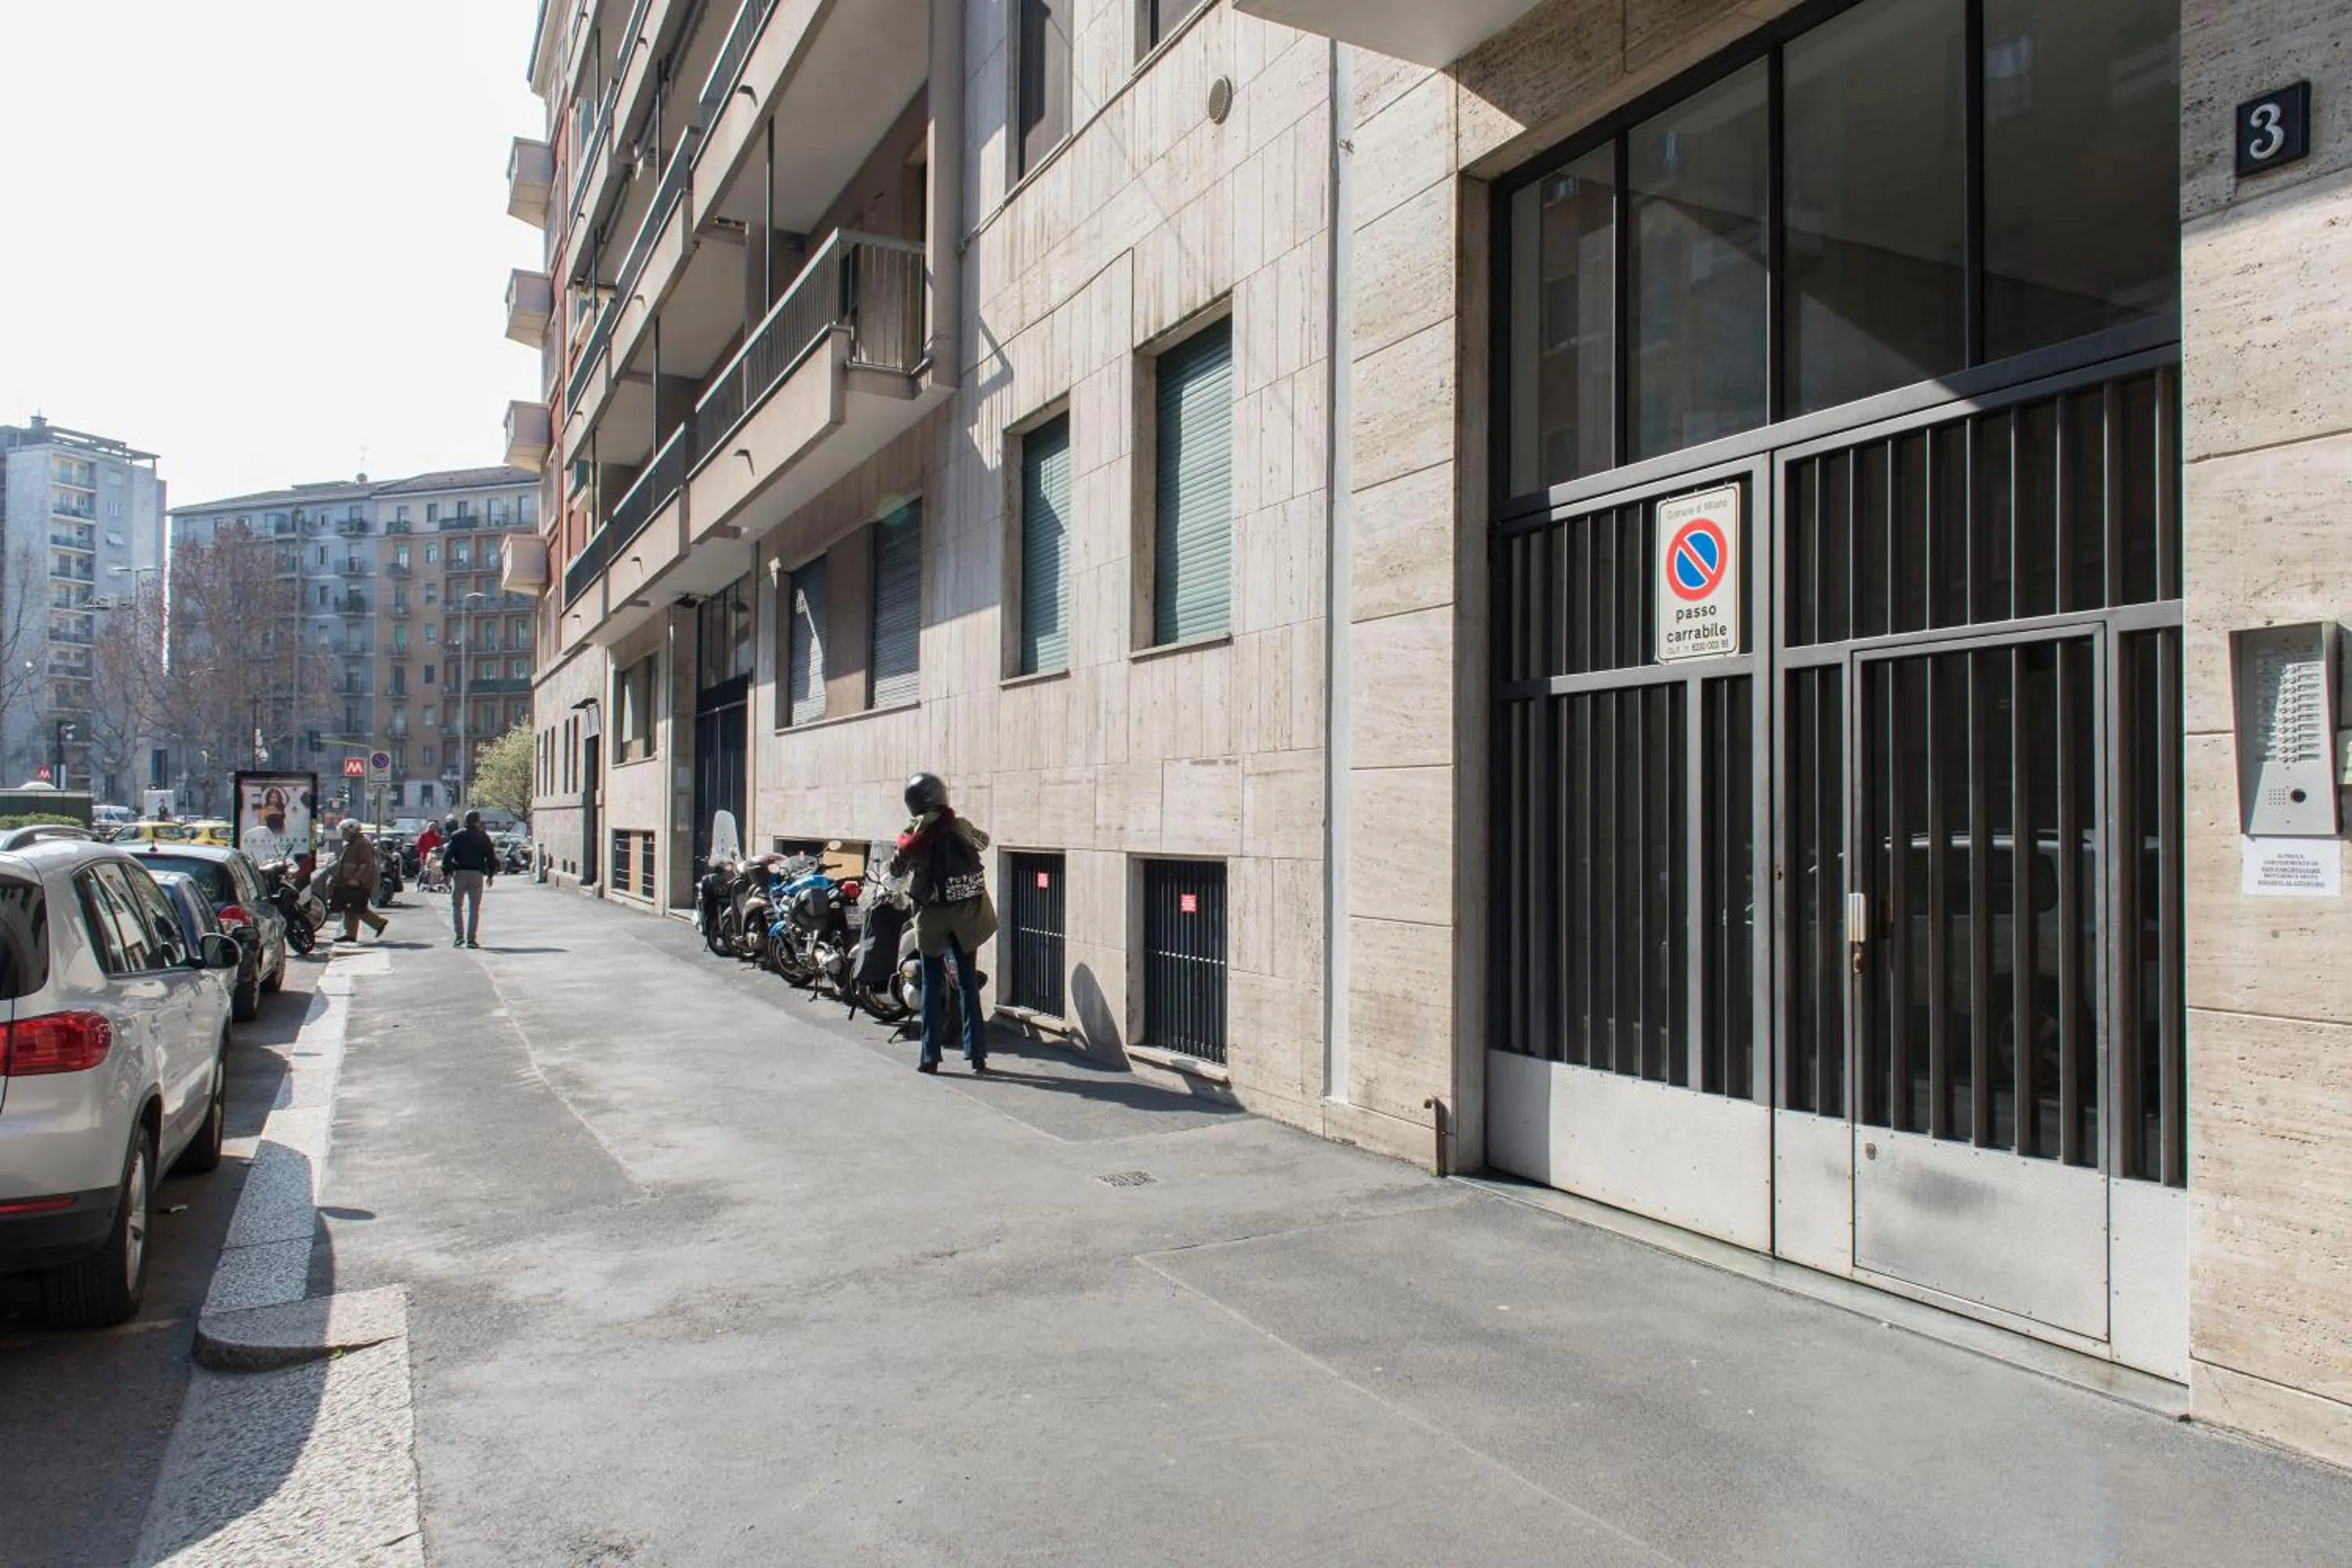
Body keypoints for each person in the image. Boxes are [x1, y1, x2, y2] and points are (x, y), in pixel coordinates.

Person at [888, 772, 996, 1076]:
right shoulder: (959, 826)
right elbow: (984, 843)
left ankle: (930, 1057)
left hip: (932, 918)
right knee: (967, 984)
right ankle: (977, 1055)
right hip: (965, 918)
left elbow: (896, 870)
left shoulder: (912, 835)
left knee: (932, 986)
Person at [442, 810, 499, 949]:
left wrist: (446, 873)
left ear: (466, 821)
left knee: (457, 906)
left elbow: (448, 856)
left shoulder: (457, 836)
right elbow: (491, 857)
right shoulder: (483, 837)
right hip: (477, 874)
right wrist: (491, 874)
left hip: (460, 873)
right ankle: (471, 939)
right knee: (474, 908)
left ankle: (459, 937)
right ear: (477, 821)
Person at [328, 820, 390, 943]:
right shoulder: (353, 843)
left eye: (345, 832)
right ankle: (350, 934)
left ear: (352, 830)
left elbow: (366, 864)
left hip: (357, 882)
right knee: (349, 907)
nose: (343, 834)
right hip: (348, 881)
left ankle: (379, 922)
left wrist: (357, 878)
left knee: (356, 907)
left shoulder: (362, 844)